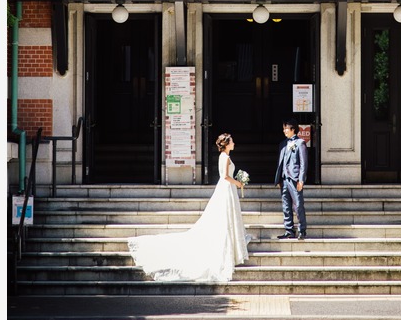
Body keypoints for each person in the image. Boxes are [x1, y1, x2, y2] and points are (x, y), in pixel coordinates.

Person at [127, 132, 250, 282]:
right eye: (232, 141)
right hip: (226, 187)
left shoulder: (223, 156)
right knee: (225, 216)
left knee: (226, 216)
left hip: (225, 188)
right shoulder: (225, 157)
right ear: (226, 144)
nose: (234, 143)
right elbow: (225, 176)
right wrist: (238, 183)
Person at [273, 120, 308, 240]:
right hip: (284, 179)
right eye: (283, 129)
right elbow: (280, 162)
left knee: (298, 205)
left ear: (293, 129)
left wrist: (301, 180)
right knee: (286, 206)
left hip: (294, 179)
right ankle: (289, 230)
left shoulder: (300, 143)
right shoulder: (282, 144)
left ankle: (302, 230)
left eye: (286, 128)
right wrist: (279, 179)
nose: (284, 131)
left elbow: (303, 163)